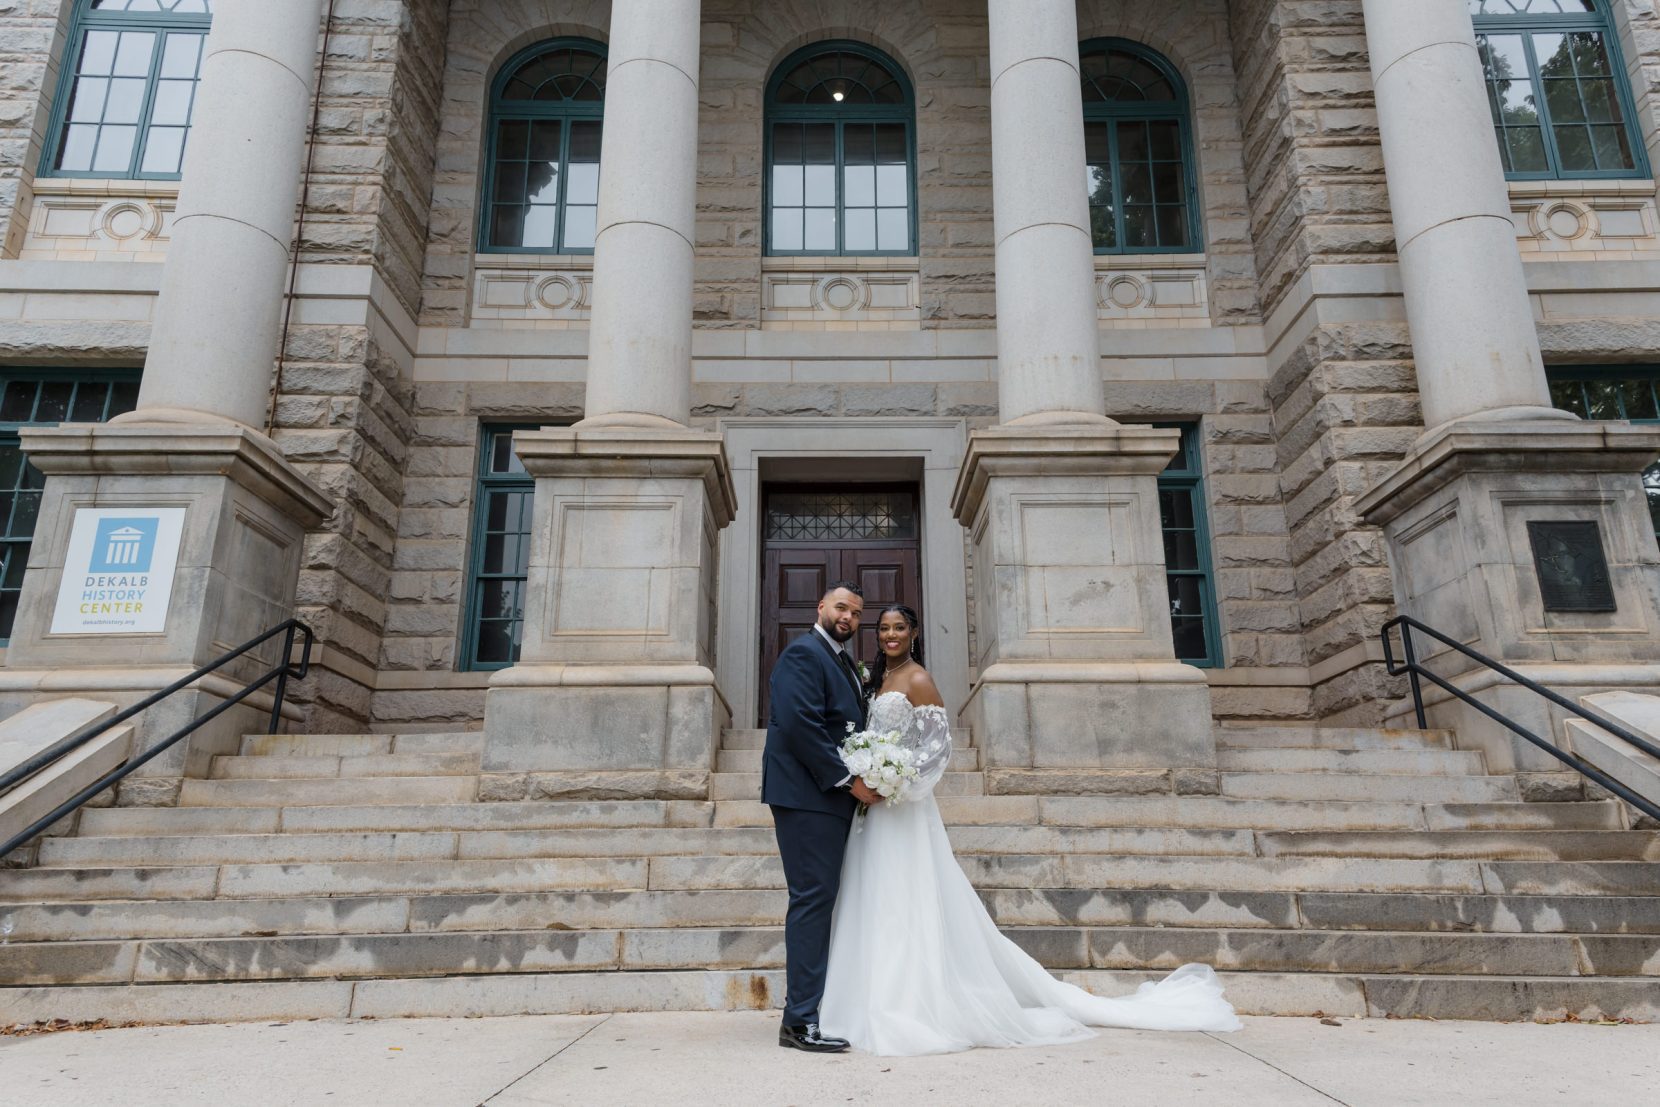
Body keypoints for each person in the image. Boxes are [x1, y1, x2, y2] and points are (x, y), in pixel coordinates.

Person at [818, 604, 1242, 1056]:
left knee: (905, 899)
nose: (890, 635)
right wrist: (868, 774)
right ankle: (869, 997)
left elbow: (937, 750)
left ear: (914, 632)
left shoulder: (918, 679)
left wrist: (895, 781)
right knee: (876, 896)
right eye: (883, 629)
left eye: (899, 627)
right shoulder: (877, 679)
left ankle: (908, 1003)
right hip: (875, 812)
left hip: (902, 808)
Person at [761, 581, 881, 1053]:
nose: (848, 616)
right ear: (821, 608)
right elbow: (799, 724)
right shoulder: (804, 653)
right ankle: (799, 1022)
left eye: (855, 611)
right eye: (840, 607)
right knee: (812, 901)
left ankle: (812, 1009)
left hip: (824, 798)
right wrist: (848, 780)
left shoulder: (841, 661)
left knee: (820, 900)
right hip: (807, 795)